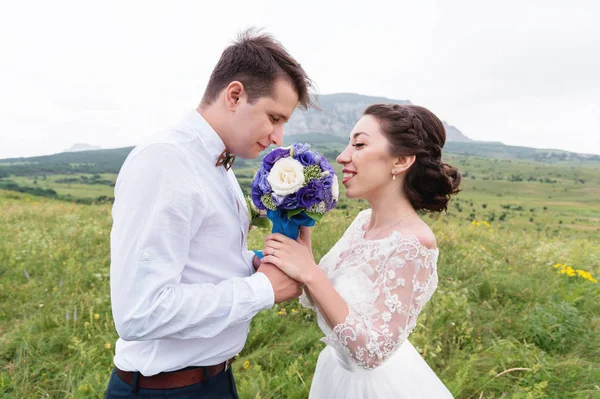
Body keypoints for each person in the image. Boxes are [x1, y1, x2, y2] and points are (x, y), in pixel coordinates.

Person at [105, 29, 315, 398]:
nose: (279, 138)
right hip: (164, 390)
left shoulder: (220, 165)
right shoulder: (166, 161)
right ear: (234, 95)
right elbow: (139, 311)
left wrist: (253, 262)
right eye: (274, 117)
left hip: (214, 380)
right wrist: (262, 289)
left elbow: (199, 261)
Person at [261, 104, 460, 398]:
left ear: (401, 160)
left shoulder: (413, 243)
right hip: (336, 376)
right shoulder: (362, 221)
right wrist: (302, 252)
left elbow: (372, 354)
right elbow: (326, 298)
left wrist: (310, 272)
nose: (342, 156)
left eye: (359, 144)